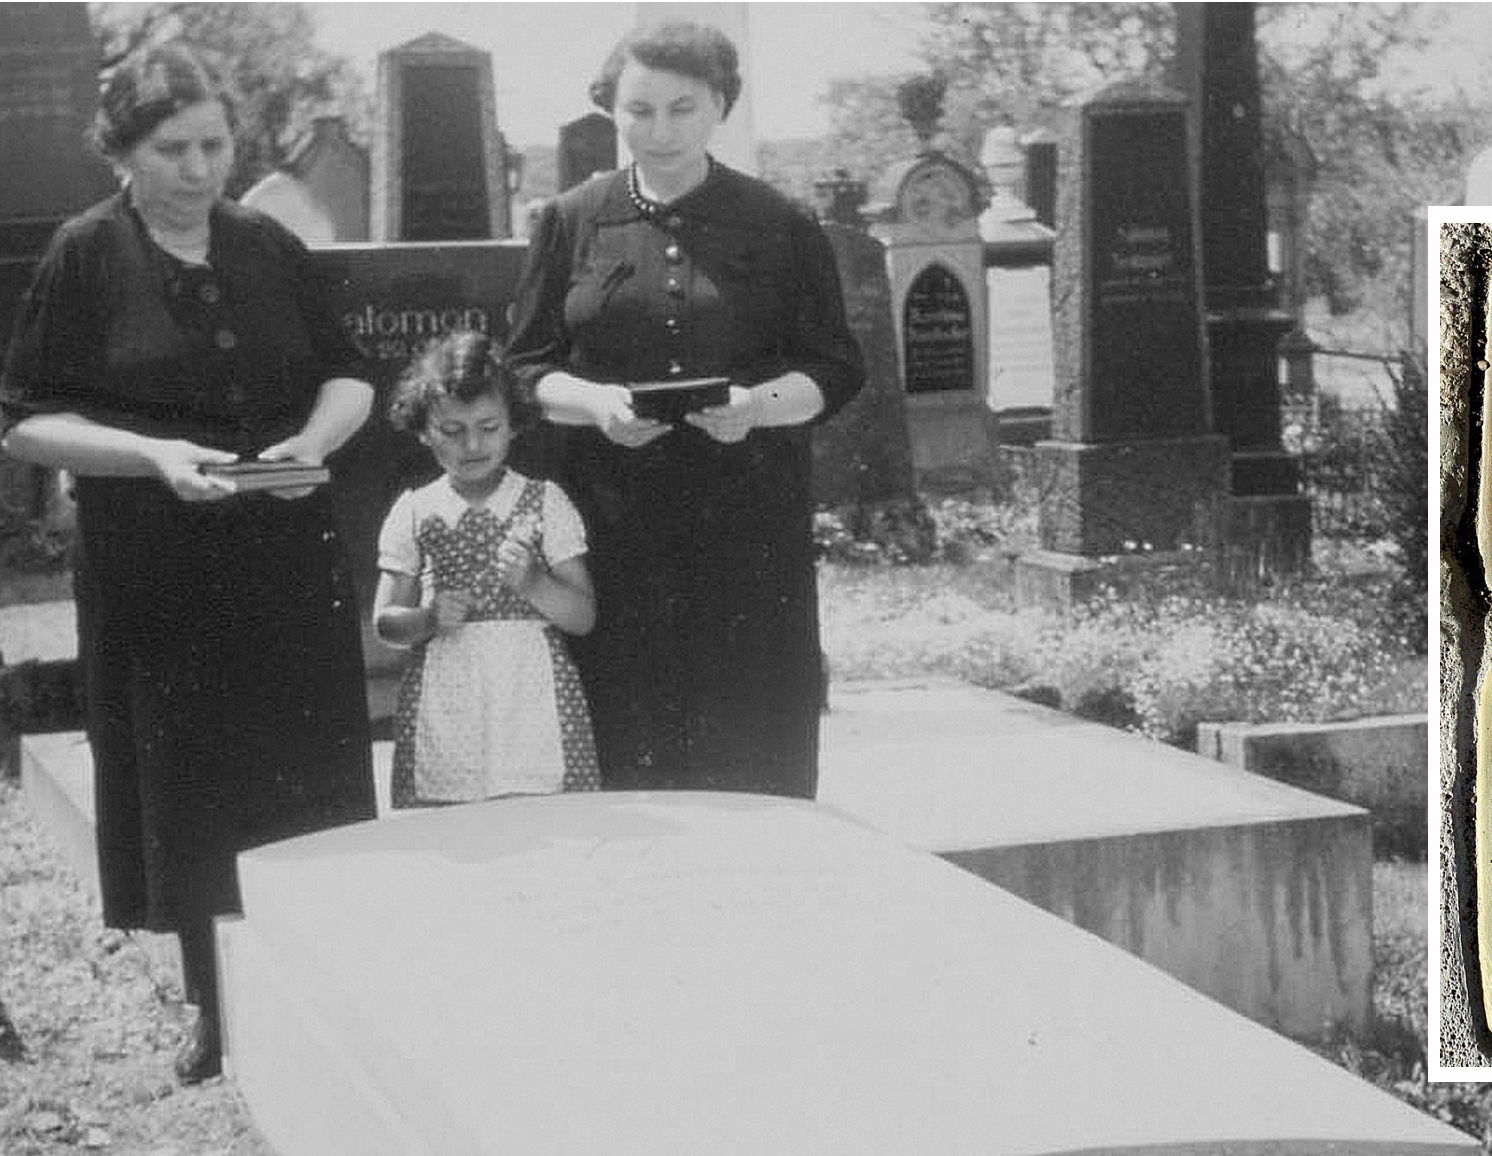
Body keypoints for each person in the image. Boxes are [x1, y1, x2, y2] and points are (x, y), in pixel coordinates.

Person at [0, 44, 376, 1083]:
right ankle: (215, 1002)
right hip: (156, 560)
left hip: (281, 546)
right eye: (174, 149)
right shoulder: (84, 255)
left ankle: (317, 983)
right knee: (190, 776)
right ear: (122, 150)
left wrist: (313, 442)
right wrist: (152, 454)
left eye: (215, 143)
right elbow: (28, 423)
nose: (201, 167)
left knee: (300, 761)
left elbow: (350, 371)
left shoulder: (265, 245)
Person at [506, 20, 864, 798]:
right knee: (626, 740)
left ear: (720, 107)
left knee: (749, 741)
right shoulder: (569, 220)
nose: (658, 130)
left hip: (746, 522)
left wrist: (757, 405)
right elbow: (525, 367)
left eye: (682, 108)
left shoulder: (782, 224)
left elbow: (835, 366)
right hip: (610, 522)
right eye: (638, 110)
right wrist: (595, 403)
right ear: (612, 110)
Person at [374, 332, 598, 809]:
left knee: (542, 822)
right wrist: (428, 618)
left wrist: (535, 582)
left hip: (529, 697)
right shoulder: (415, 510)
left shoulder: (545, 501)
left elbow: (582, 615)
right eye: (452, 431)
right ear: (422, 430)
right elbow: (386, 623)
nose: (472, 444)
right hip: (448, 699)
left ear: (514, 425)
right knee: (456, 835)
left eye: (489, 427)